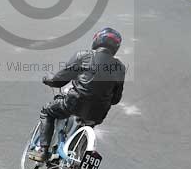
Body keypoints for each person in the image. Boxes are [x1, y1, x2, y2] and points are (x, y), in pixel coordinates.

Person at [30, 27, 126, 162]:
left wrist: (47, 79)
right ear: (116, 46)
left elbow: (59, 81)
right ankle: (74, 157)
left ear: (97, 41)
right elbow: (116, 99)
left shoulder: (83, 56)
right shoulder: (120, 68)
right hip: (99, 112)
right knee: (87, 123)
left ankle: (43, 151)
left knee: (47, 112)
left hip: (74, 102)